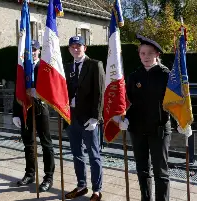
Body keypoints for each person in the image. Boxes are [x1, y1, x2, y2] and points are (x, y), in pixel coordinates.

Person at [114, 35, 172, 201]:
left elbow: (176, 101)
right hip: (137, 129)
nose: (145, 57)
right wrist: (123, 118)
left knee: (160, 171)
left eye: (149, 53)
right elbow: (127, 101)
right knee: (142, 169)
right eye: (142, 53)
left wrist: (180, 121)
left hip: (159, 128)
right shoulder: (134, 76)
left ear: (157, 55)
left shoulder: (166, 75)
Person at [64, 36, 104, 201]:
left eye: (78, 46)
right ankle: (81, 185)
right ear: (69, 50)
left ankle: (97, 190)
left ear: (85, 48)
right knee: (76, 154)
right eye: (72, 47)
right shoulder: (67, 67)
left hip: (89, 118)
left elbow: (100, 93)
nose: (76, 49)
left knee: (94, 155)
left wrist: (96, 117)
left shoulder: (95, 65)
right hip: (71, 117)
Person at [12, 40, 55, 192]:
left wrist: (38, 93)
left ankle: (48, 177)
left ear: (39, 51)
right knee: (28, 143)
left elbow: (52, 89)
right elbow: (17, 91)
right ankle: (30, 173)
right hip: (25, 109)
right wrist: (15, 113)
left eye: (35, 49)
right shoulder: (22, 68)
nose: (33, 52)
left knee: (46, 144)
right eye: (30, 50)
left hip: (40, 109)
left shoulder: (44, 67)